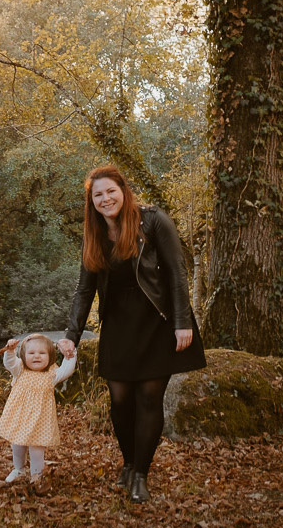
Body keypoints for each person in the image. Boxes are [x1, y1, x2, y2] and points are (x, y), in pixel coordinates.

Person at [65, 166, 204, 503]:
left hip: (157, 320)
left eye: (110, 191)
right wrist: (71, 333)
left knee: (148, 399)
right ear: (91, 201)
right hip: (118, 325)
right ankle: (128, 462)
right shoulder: (95, 233)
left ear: (123, 191)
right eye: (97, 195)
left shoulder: (153, 221)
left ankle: (140, 472)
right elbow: (85, 291)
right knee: (120, 401)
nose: (105, 199)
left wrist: (182, 321)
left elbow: (176, 272)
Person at [0, 333, 78, 484]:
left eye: (42, 353)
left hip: (40, 420)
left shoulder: (52, 374)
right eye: (31, 353)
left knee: (37, 448)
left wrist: (70, 355)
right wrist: (10, 350)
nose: (36, 356)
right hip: (20, 416)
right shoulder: (20, 369)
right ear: (24, 355)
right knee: (17, 444)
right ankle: (18, 469)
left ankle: (36, 475)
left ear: (50, 356)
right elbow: (10, 363)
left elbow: (67, 370)